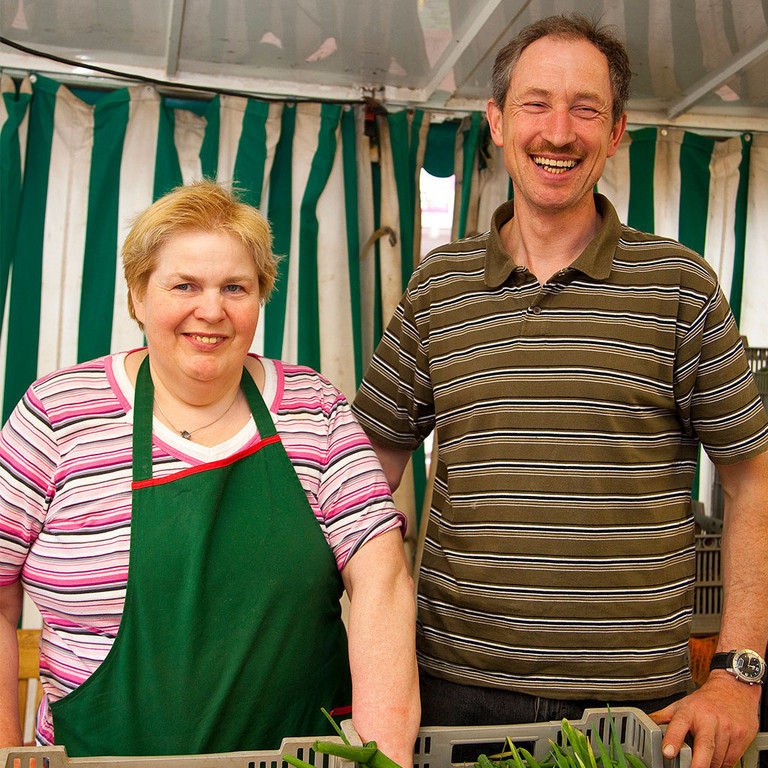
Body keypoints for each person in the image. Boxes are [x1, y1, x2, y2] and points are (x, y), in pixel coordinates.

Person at [352, 13, 768, 768]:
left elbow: (751, 485)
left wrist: (739, 673)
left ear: (615, 135)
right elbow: (365, 477)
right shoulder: (438, 286)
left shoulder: (678, 285)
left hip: (641, 703)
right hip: (454, 691)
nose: (559, 131)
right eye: (536, 104)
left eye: (586, 108)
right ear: (496, 123)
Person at [0, 181, 420, 763]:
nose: (212, 310)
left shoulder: (313, 409)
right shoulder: (57, 415)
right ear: (138, 296)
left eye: (235, 288)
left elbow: (382, 586)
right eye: (184, 285)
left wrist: (384, 761)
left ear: (260, 297)